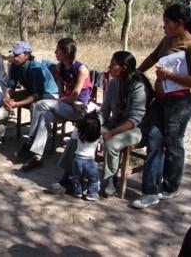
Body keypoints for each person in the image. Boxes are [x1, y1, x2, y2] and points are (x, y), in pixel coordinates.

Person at [45, 51, 153, 197]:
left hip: (134, 128)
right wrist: (91, 124)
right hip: (114, 124)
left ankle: (110, 180)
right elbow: (104, 112)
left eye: (113, 64)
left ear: (124, 67)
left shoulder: (138, 87)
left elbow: (135, 120)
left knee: (112, 143)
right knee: (79, 134)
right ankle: (68, 177)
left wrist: (111, 133)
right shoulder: (114, 83)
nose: (109, 67)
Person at [132, 4, 191, 209]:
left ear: (180, 24)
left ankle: (170, 186)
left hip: (179, 104)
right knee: (154, 140)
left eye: (167, 23)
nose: (164, 27)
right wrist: (137, 72)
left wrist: (169, 76)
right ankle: (150, 191)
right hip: (160, 100)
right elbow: (153, 57)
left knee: (173, 145)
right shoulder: (168, 40)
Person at [15, 38, 92, 172]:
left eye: (58, 50)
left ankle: (30, 141)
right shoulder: (59, 68)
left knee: (40, 104)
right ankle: (37, 157)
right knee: (45, 116)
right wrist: (64, 100)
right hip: (67, 106)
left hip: (79, 108)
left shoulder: (81, 69)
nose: (55, 52)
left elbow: (74, 95)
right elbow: (61, 93)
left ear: (66, 52)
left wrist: (66, 101)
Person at [3, 41, 59, 113]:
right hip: (33, 92)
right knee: (5, 98)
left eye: (17, 55)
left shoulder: (35, 68)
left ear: (26, 55)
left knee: (34, 106)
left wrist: (17, 104)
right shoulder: (14, 66)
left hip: (49, 94)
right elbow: (10, 87)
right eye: (14, 55)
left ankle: (35, 124)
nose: (15, 58)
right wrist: (6, 99)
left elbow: (38, 95)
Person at [70, 112, 102, 201]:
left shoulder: (79, 134)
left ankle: (78, 192)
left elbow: (73, 136)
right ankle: (91, 194)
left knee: (76, 177)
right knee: (93, 179)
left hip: (77, 159)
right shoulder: (98, 136)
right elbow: (103, 142)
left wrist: (77, 127)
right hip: (90, 162)